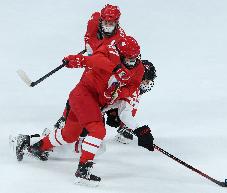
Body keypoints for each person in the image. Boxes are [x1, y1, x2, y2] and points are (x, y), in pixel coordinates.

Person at [15, 36, 154, 186]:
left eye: (135, 58)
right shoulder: (107, 55)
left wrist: (141, 130)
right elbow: (89, 60)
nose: (133, 63)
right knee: (98, 130)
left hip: (94, 104)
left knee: (69, 134)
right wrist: (73, 60)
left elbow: (127, 104)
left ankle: (35, 147)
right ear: (119, 54)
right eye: (129, 59)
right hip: (84, 95)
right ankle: (83, 170)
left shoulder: (138, 70)